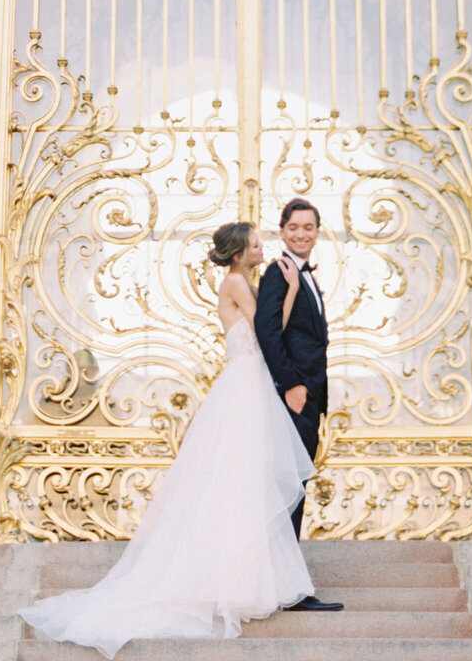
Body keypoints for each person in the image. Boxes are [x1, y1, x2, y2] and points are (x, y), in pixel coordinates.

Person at [19, 221, 316, 658]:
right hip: (246, 386)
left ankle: (246, 578)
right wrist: (289, 291)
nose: (261, 249)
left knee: (244, 484)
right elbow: (267, 331)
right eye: (255, 244)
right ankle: (233, 582)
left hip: (247, 385)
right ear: (238, 254)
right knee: (240, 481)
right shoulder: (236, 282)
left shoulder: (238, 280)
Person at [253, 197, 344, 612]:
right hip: (293, 396)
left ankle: (281, 584)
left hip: (309, 396)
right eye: (294, 227)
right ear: (282, 230)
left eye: (309, 227)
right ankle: (288, 589)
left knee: (294, 487)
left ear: (317, 231)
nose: (302, 234)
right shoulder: (279, 272)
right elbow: (267, 332)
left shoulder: (302, 274)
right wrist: (291, 385)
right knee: (288, 488)